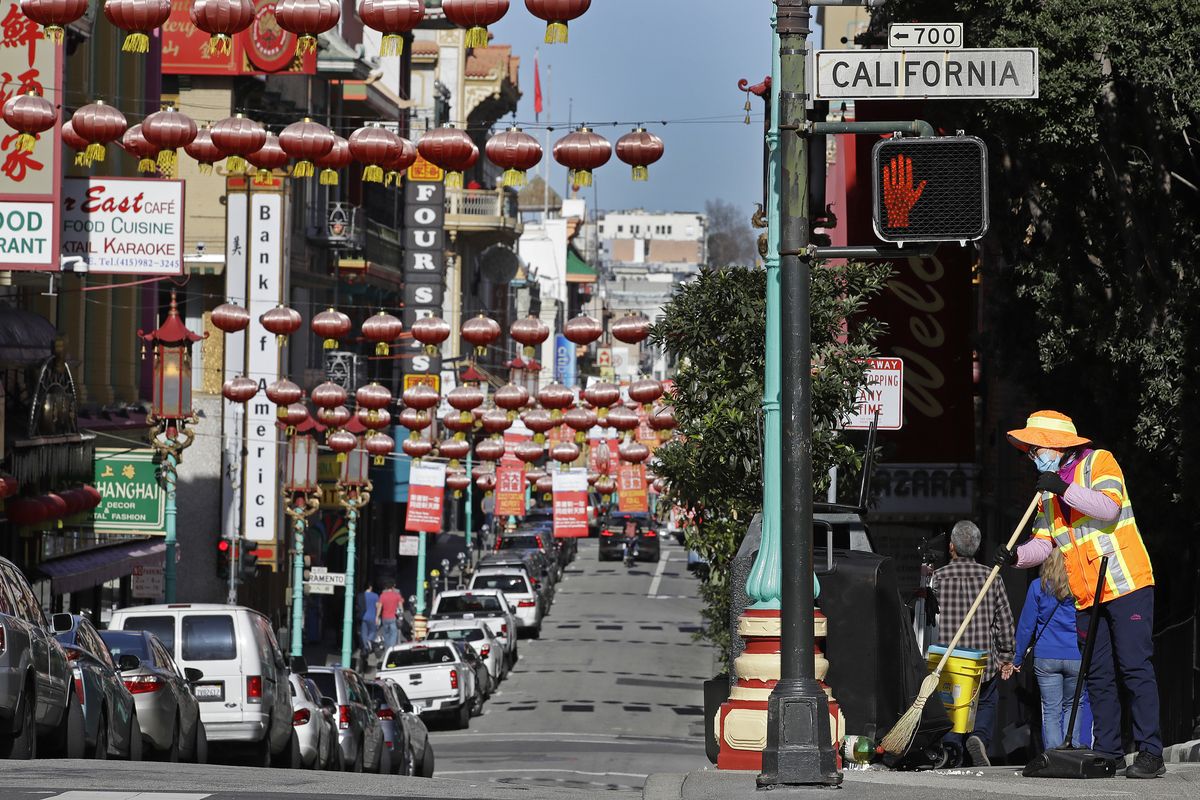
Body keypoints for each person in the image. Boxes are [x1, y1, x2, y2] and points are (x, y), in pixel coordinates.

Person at [996, 410, 1163, 778]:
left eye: (1035, 448)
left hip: (1125, 584)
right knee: (1099, 675)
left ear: (1056, 446)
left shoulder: (1099, 462)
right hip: (1087, 595)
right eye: (1028, 451)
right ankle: (1109, 751)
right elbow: (1044, 544)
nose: (1030, 456)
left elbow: (1108, 507)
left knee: (1134, 667)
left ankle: (1151, 751)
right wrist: (1016, 557)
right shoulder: (1046, 496)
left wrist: (1062, 487)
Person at [931, 520, 1015, 767]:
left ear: (951, 547)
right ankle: (978, 736)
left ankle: (952, 746)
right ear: (977, 548)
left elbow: (926, 619)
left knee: (951, 702)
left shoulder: (937, 578)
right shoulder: (992, 577)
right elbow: (1005, 620)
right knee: (987, 700)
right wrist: (1007, 656)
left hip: (949, 659)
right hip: (982, 660)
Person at [1009, 549, 1093, 750]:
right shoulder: (1080, 588)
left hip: (1046, 657)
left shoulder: (1037, 587)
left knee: (1051, 709)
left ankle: (1054, 756)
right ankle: (1071, 750)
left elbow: (1026, 626)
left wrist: (1017, 658)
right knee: (1074, 705)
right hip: (1076, 655)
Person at [377, 579, 404, 651]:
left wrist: (377, 616)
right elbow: (401, 607)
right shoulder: (397, 595)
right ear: (393, 587)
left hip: (384, 618)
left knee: (386, 634)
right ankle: (391, 649)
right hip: (393, 617)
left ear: (386, 587)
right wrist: (401, 616)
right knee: (393, 634)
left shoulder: (382, 596)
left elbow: (379, 607)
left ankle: (387, 649)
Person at [358, 581, 379, 657]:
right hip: (372, 616)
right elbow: (377, 606)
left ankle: (366, 648)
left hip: (363, 616)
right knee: (373, 631)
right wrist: (378, 616)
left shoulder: (360, 595)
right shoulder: (375, 596)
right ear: (370, 587)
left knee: (364, 632)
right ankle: (369, 641)